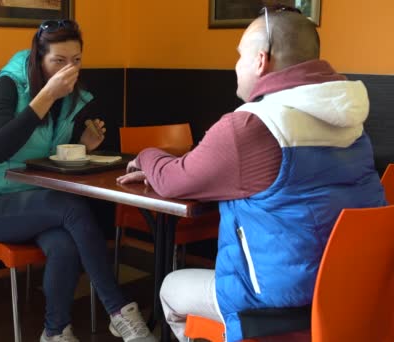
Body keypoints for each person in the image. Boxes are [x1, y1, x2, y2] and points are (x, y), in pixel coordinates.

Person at [116, 7, 387, 342]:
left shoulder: (252, 125)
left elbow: (173, 180)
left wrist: (146, 156)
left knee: (171, 289)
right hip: (351, 291)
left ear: (261, 60)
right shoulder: (351, 124)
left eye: (239, 55)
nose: (235, 65)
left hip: (275, 303)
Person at [0, 19, 156, 342]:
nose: (68, 70)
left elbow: (48, 155)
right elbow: (0, 148)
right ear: (38, 58)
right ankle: (119, 311)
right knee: (71, 206)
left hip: (39, 204)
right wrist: (46, 96)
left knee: (65, 245)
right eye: (58, 60)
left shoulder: (70, 98)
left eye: (76, 61)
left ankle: (55, 332)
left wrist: (83, 143)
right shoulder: (9, 85)